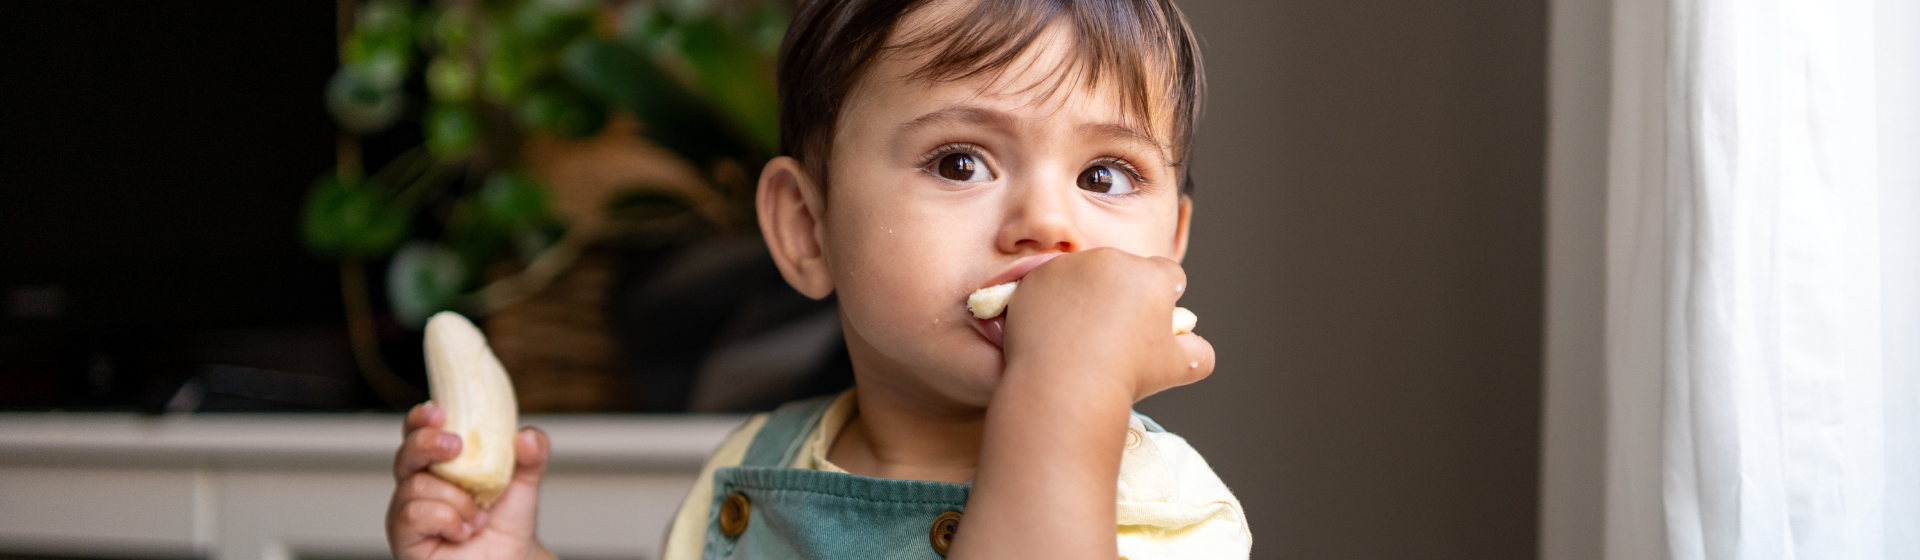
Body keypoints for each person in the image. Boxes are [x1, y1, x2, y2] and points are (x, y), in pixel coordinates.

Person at [386, 0, 1249, 558]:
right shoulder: (755, 465)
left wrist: (1069, 376)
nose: (1049, 225)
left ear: (1165, 256)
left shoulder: (1164, 507)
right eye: (960, 161)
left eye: (1104, 177)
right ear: (807, 228)